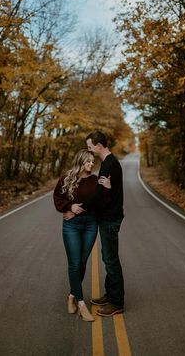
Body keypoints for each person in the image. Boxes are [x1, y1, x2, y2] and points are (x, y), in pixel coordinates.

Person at [53, 148, 111, 322]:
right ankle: (81, 303)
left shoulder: (95, 181)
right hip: (71, 225)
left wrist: (107, 189)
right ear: (80, 161)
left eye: (93, 162)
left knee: (83, 262)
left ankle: (71, 295)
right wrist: (70, 207)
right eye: (88, 161)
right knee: (74, 263)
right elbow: (57, 198)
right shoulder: (66, 178)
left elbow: (103, 203)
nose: (91, 164)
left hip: (90, 224)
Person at [85, 130, 125, 317]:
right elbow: (106, 192)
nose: (89, 149)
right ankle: (111, 295)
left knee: (111, 259)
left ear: (99, 145)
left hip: (110, 218)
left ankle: (116, 302)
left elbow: (104, 195)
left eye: (90, 146)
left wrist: (80, 207)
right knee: (107, 257)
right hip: (108, 217)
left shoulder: (110, 165)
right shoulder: (108, 163)